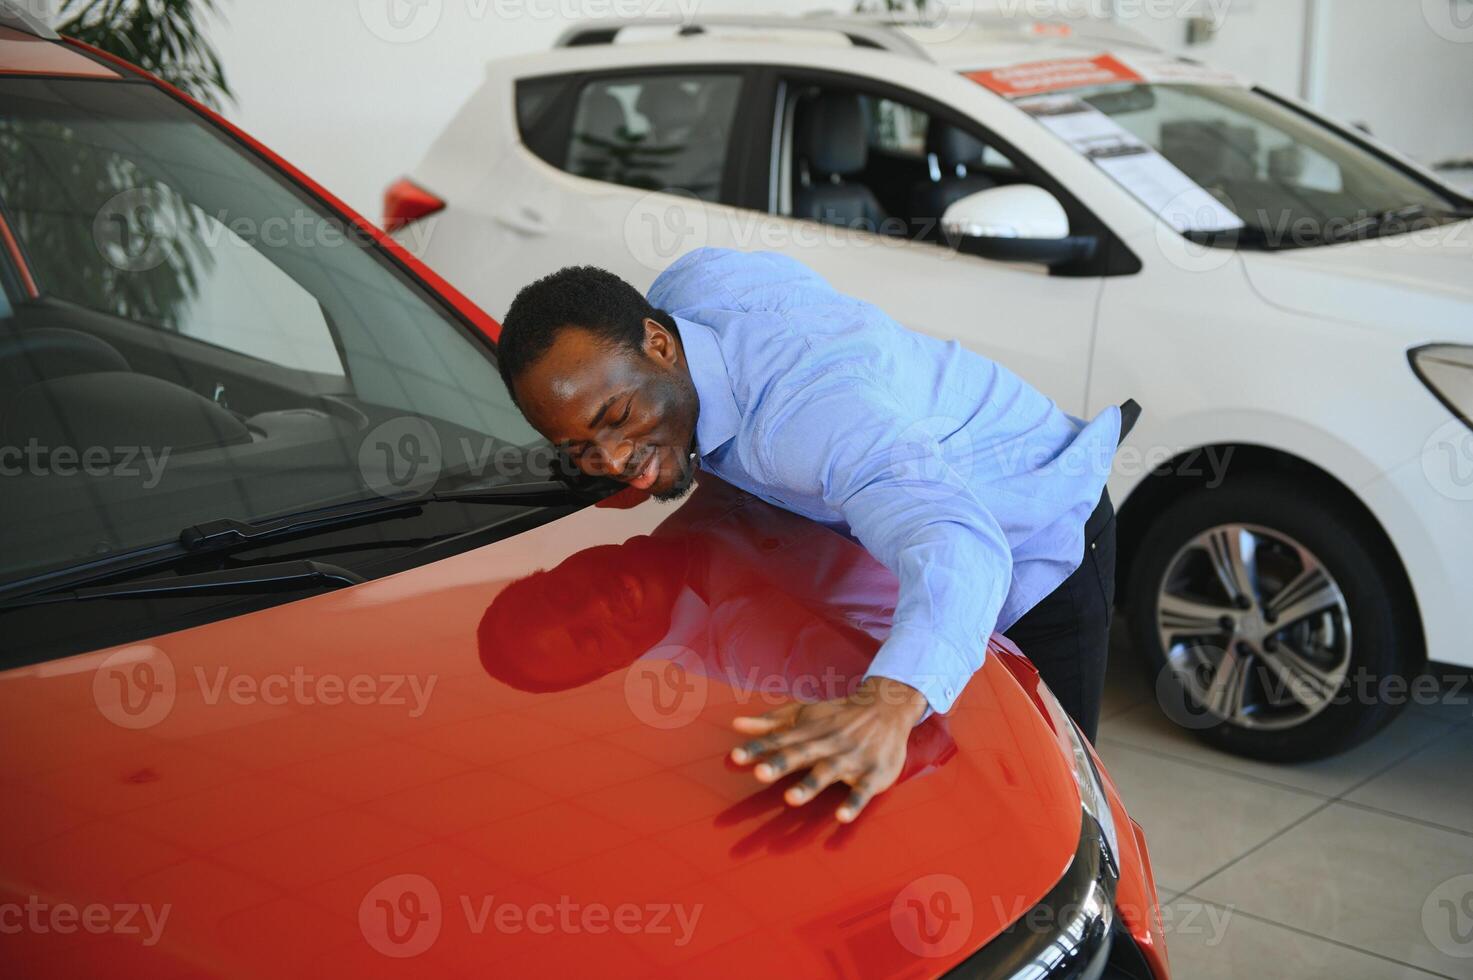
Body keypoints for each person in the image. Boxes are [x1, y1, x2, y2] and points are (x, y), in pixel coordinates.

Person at [495, 247, 1123, 822]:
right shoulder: (689, 292)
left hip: (1036, 526)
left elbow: (959, 539)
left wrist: (890, 703)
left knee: (1054, 807)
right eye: (579, 448)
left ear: (659, 345)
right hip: (921, 505)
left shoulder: (806, 416)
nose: (610, 459)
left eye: (619, 418)